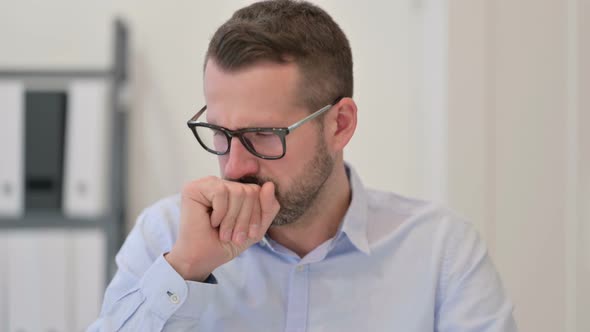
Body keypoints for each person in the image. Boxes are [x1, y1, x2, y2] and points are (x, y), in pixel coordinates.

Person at [89, 0, 517, 331]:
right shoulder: (166, 236)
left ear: (340, 124)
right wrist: (184, 270)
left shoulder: (441, 252)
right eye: (219, 134)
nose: (234, 167)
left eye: (263, 135)